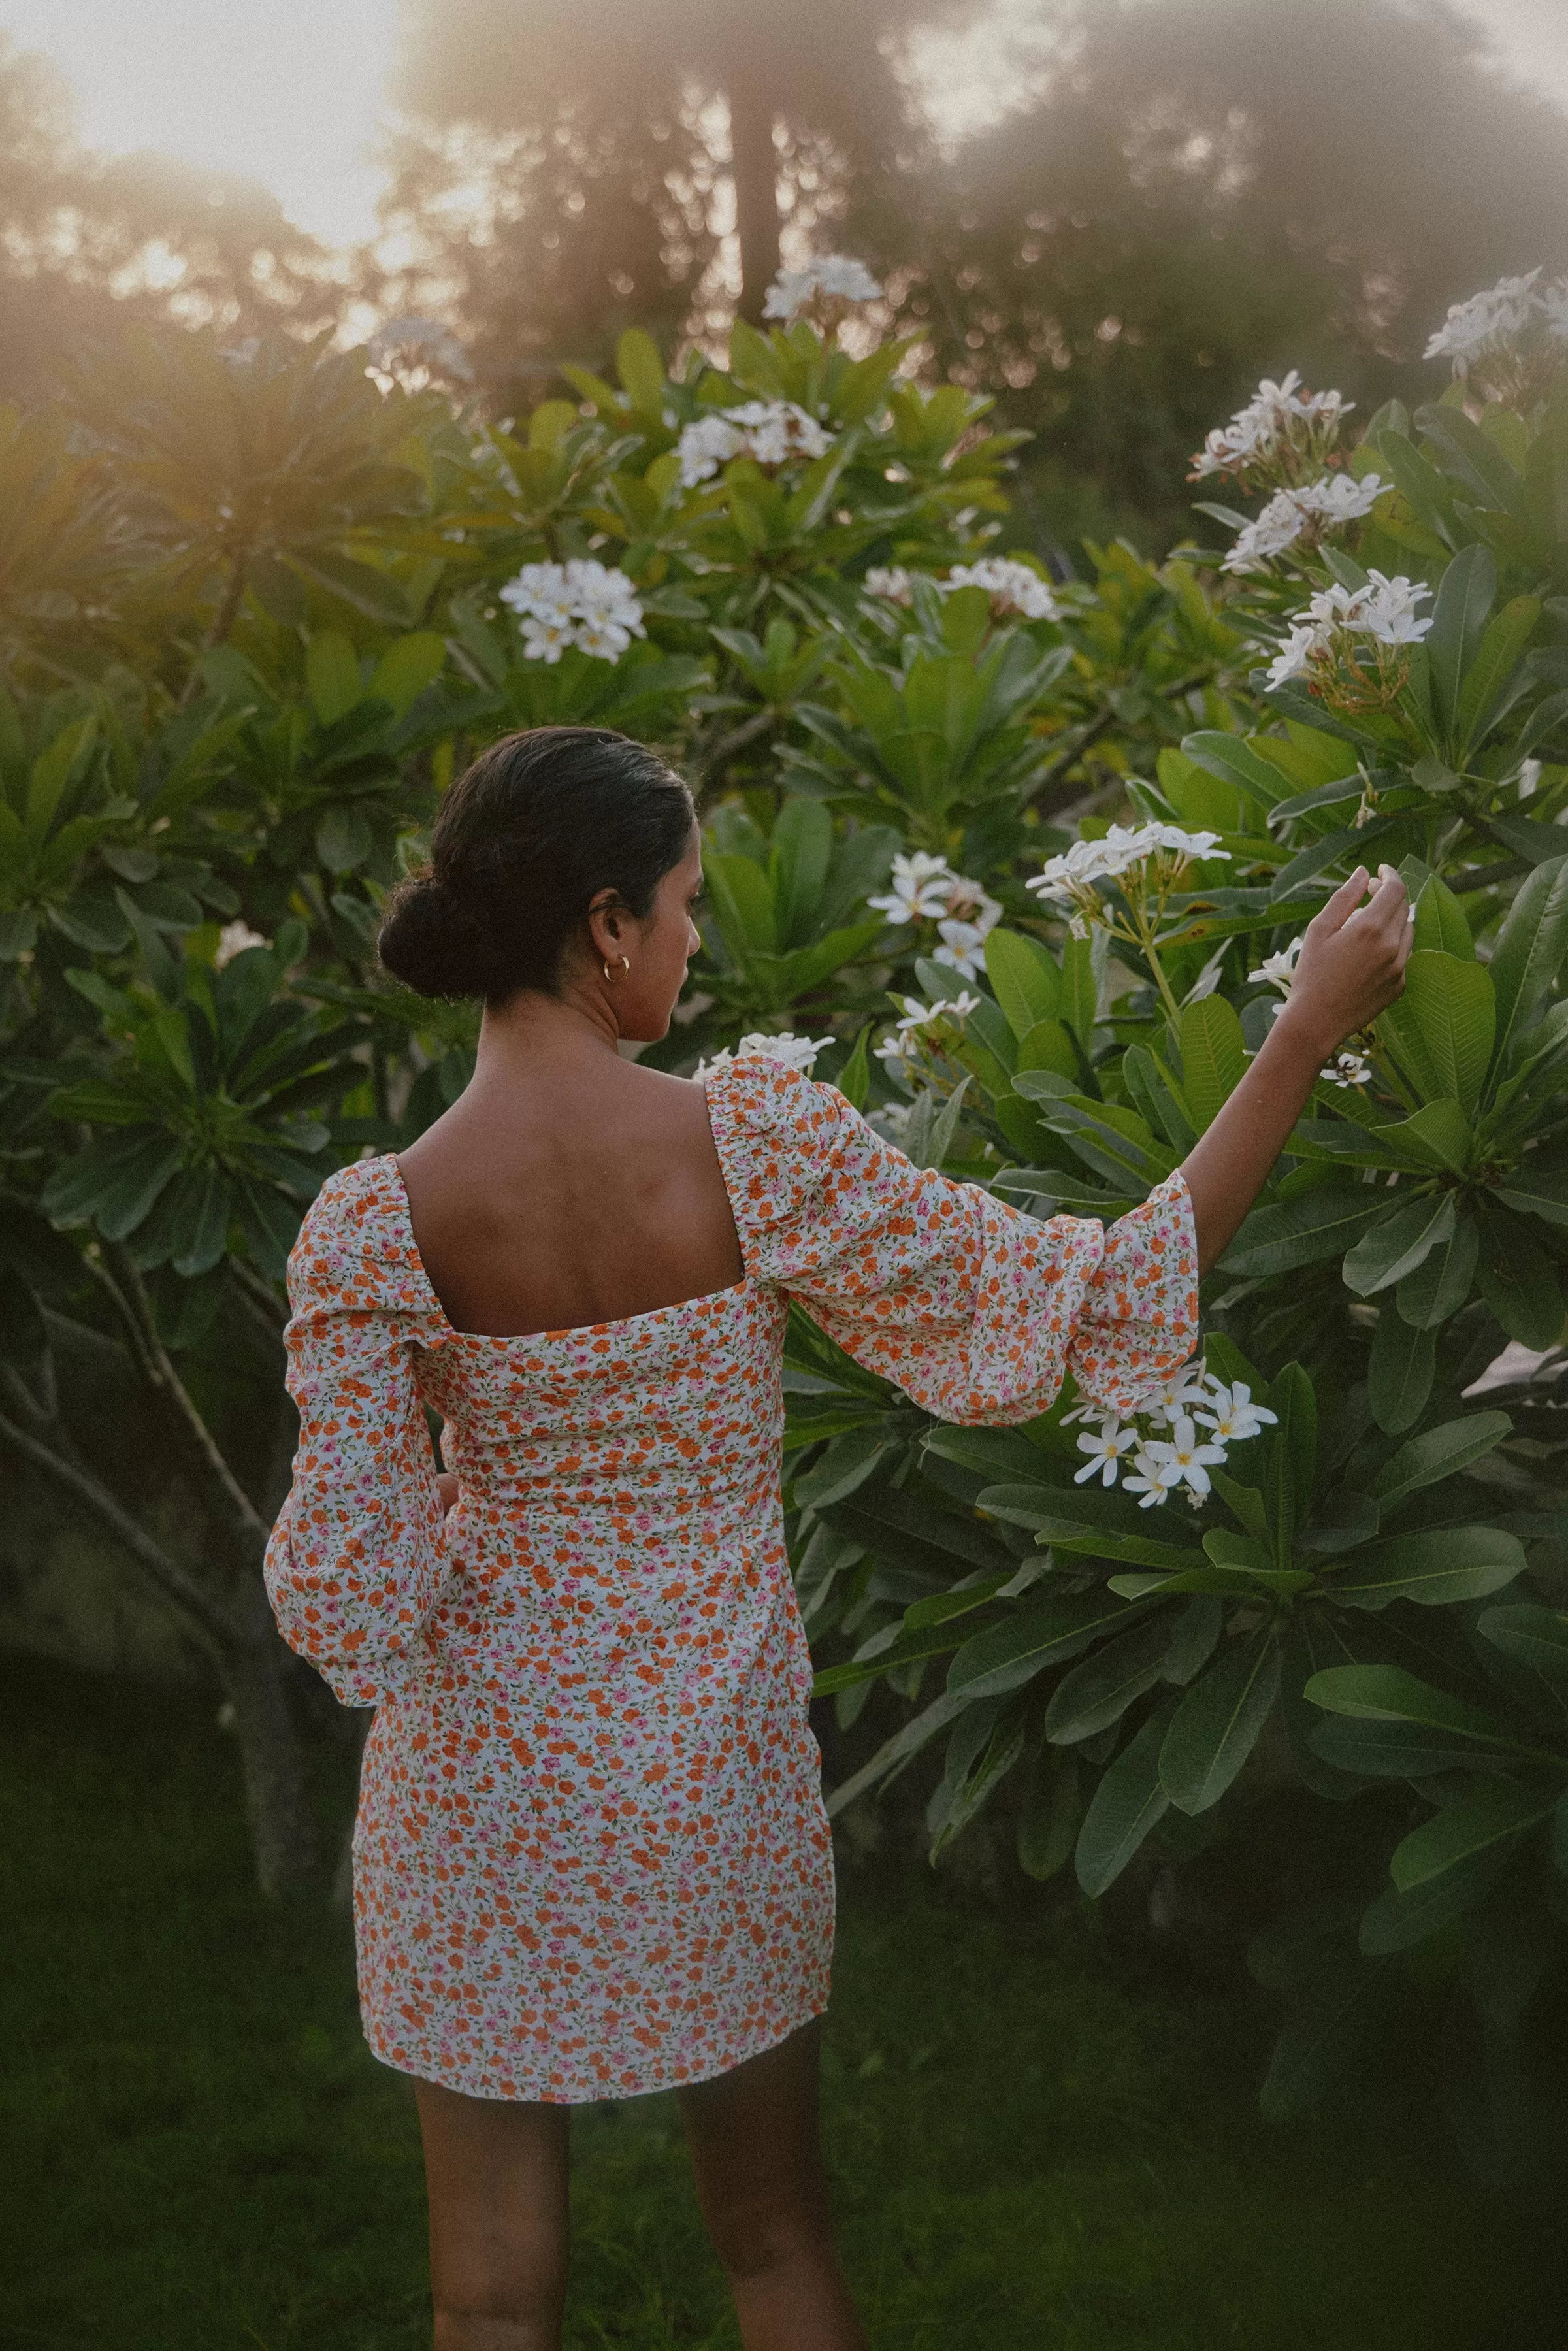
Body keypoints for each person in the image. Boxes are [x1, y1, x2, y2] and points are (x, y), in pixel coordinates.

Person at [264, 723, 1411, 2350]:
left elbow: (354, 1597)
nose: (691, 937)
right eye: (681, 903)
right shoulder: (756, 1145)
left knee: (486, 2300)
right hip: (712, 1770)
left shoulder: (375, 1225)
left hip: (481, 1795)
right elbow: (1079, 1304)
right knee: (773, 2243)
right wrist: (1297, 1031)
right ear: (605, 926)